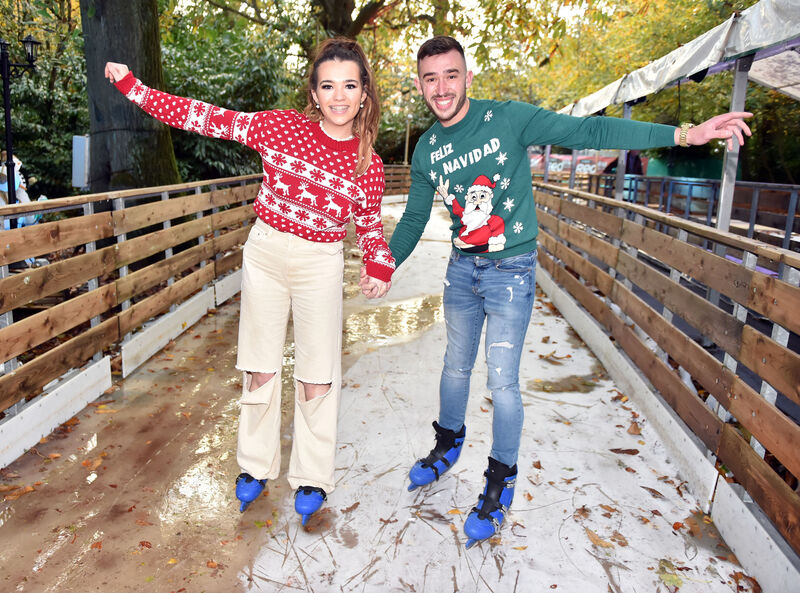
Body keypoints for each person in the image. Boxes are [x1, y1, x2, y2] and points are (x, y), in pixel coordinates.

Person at [374, 35, 750, 548]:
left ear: (467, 77)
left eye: (451, 74)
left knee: (502, 382)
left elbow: (590, 128)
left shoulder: (506, 118)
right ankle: (447, 444)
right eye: (431, 78)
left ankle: (500, 478)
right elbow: (416, 214)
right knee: (454, 366)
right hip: (463, 270)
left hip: (510, 271)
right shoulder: (427, 148)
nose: (441, 87)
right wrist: (387, 262)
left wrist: (684, 133)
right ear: (420, 85)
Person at [106, 37, 394, 524]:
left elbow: (368, 226)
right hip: (265, 253)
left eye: (349, 85)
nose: (339, 96)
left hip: (320, 261)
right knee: (260, 365)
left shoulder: (369, 163)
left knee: (317, 374)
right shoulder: (280, 127)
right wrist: (134, 87)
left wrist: (378, 264)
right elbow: (203, 116)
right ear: (314, 91)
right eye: (328, 86)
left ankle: (312, 477)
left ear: (364, 92)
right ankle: (255, 467)